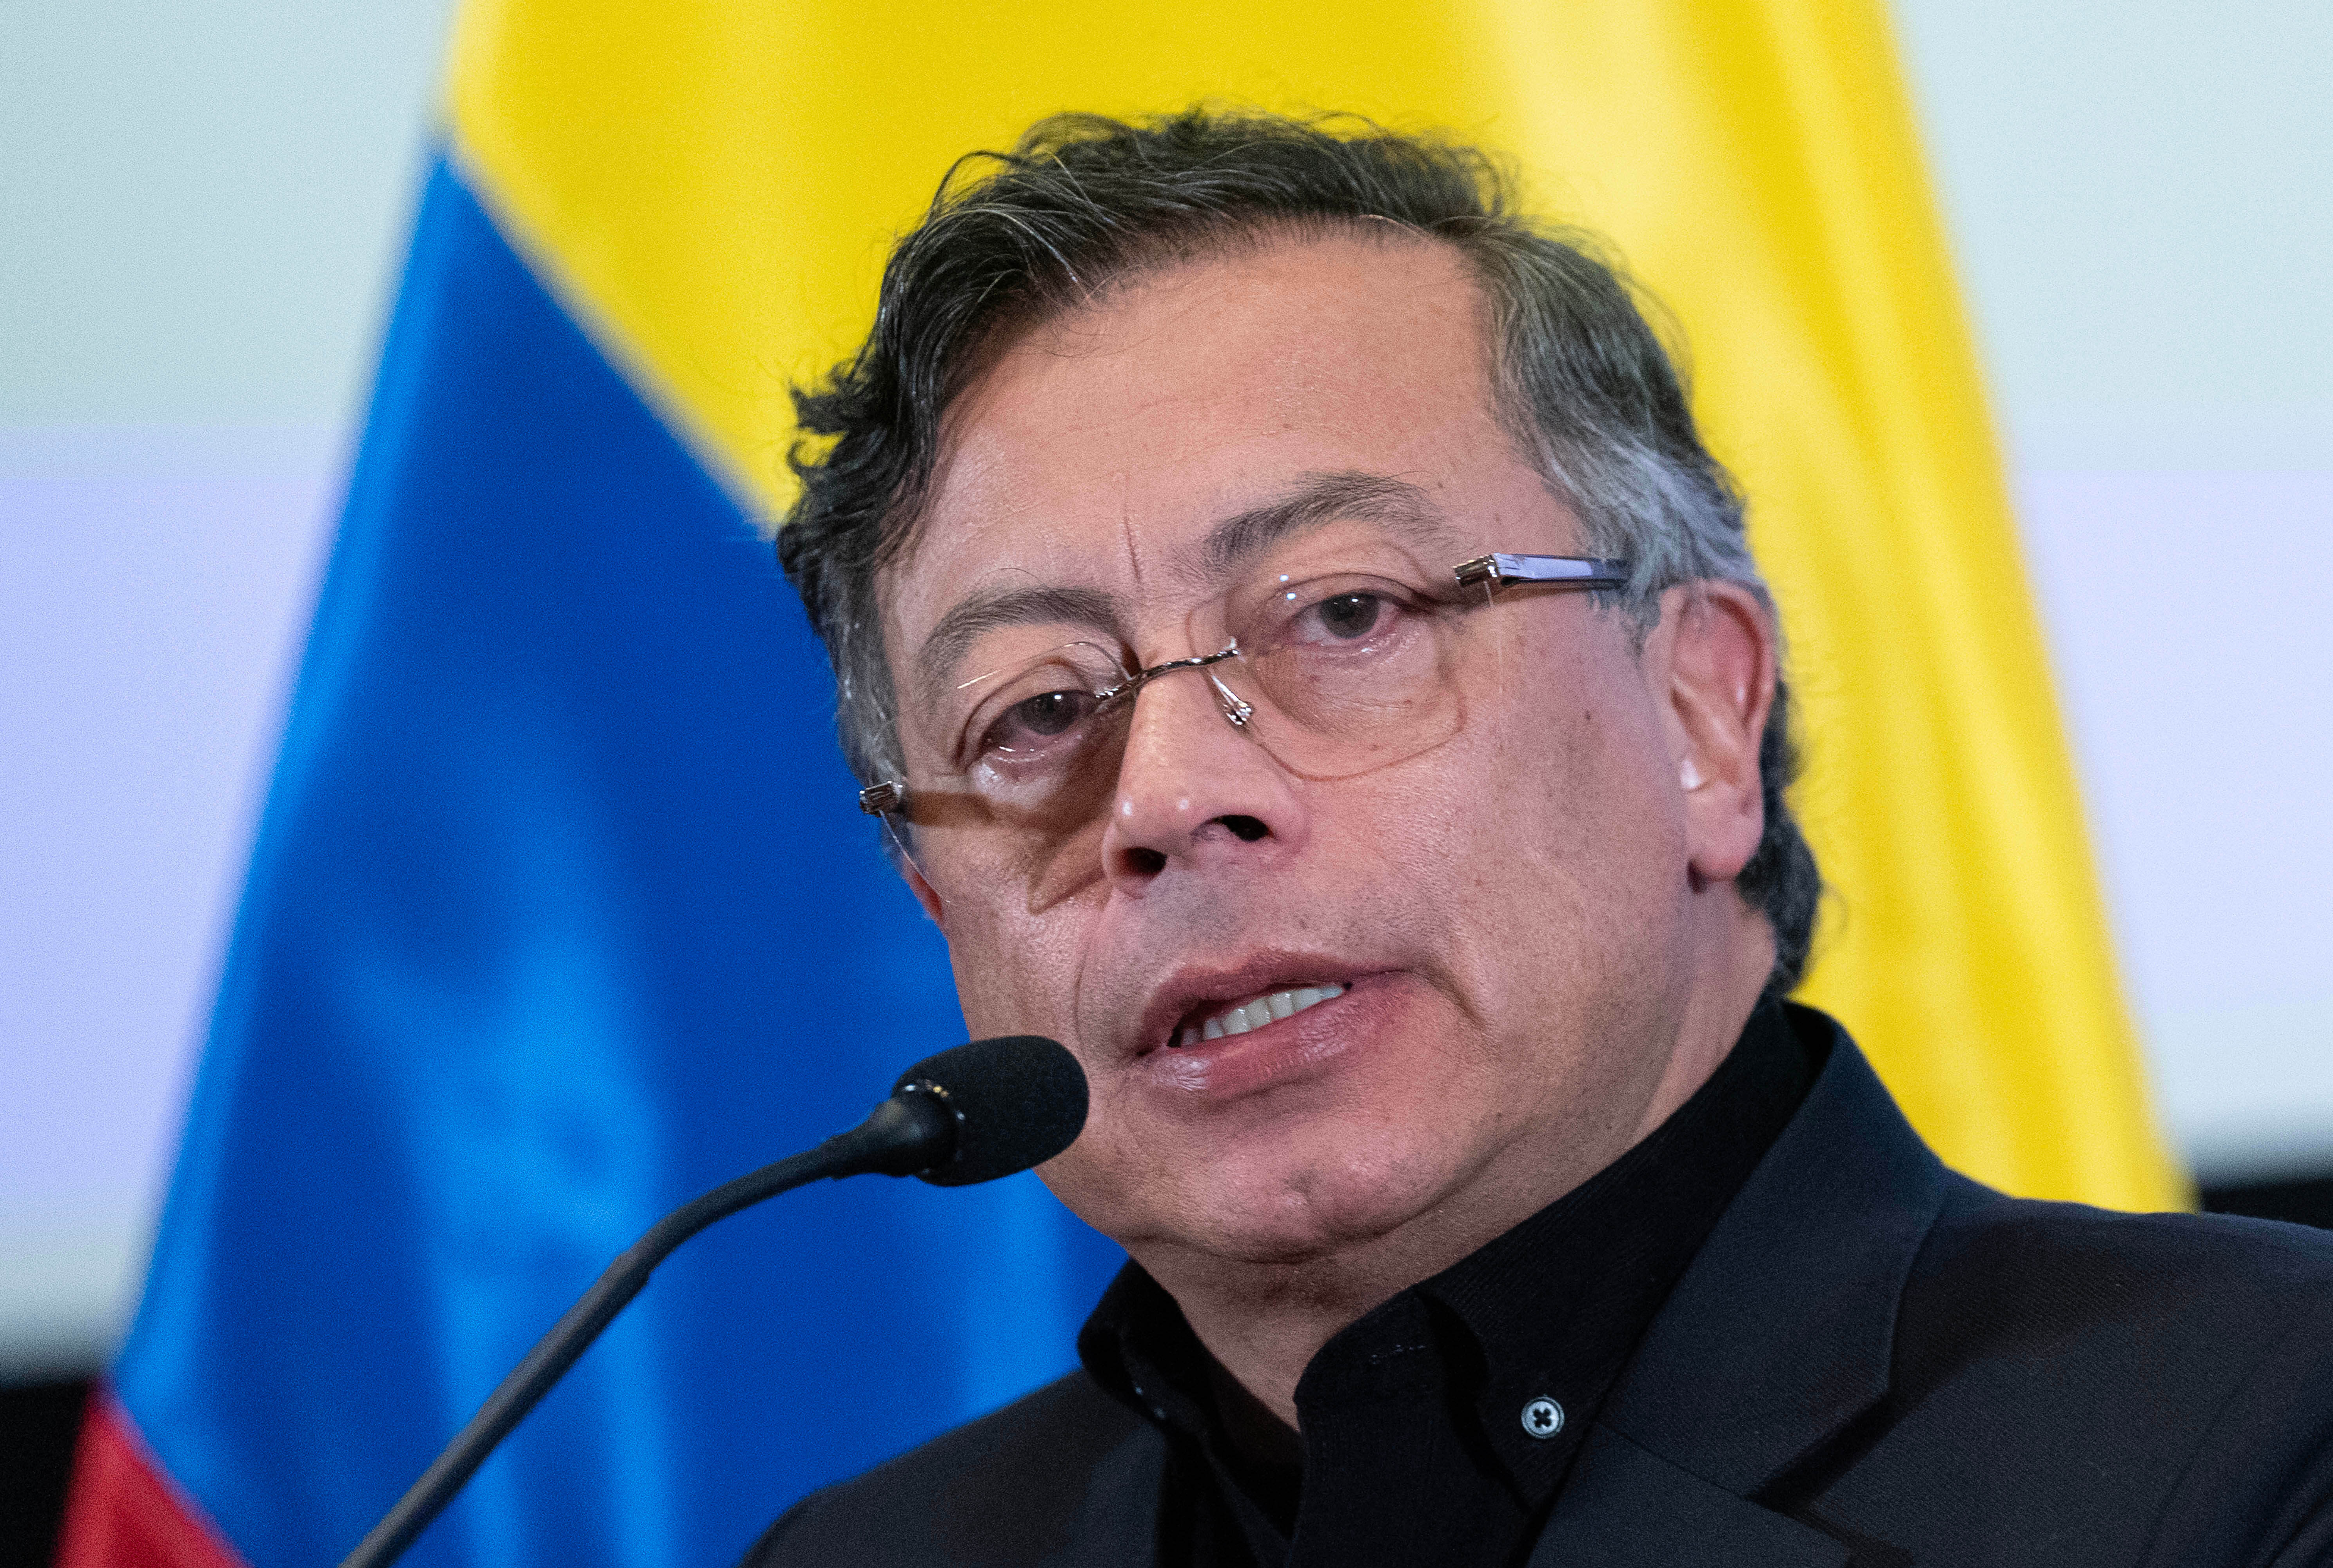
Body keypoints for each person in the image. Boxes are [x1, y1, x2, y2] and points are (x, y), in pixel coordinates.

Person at [747, 110, 2333, 1566]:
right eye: (1036, 711)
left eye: (1344, 613)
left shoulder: (2264, 1442)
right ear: (938, 905)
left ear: (1702, 713)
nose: (1164, 796)